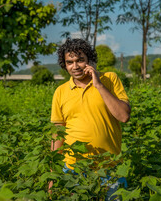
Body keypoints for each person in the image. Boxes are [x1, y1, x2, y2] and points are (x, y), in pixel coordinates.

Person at [49, 38, 131, 198]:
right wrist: (52, 175)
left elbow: (123, 116)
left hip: (109, 166)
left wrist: (98, 85)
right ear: (64, 65)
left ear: (90, 61)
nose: (75, 66)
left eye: (80, 60)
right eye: (70, 62)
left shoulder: (110, 79)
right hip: (74, 169)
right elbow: (58, 132)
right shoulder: (60, 91)